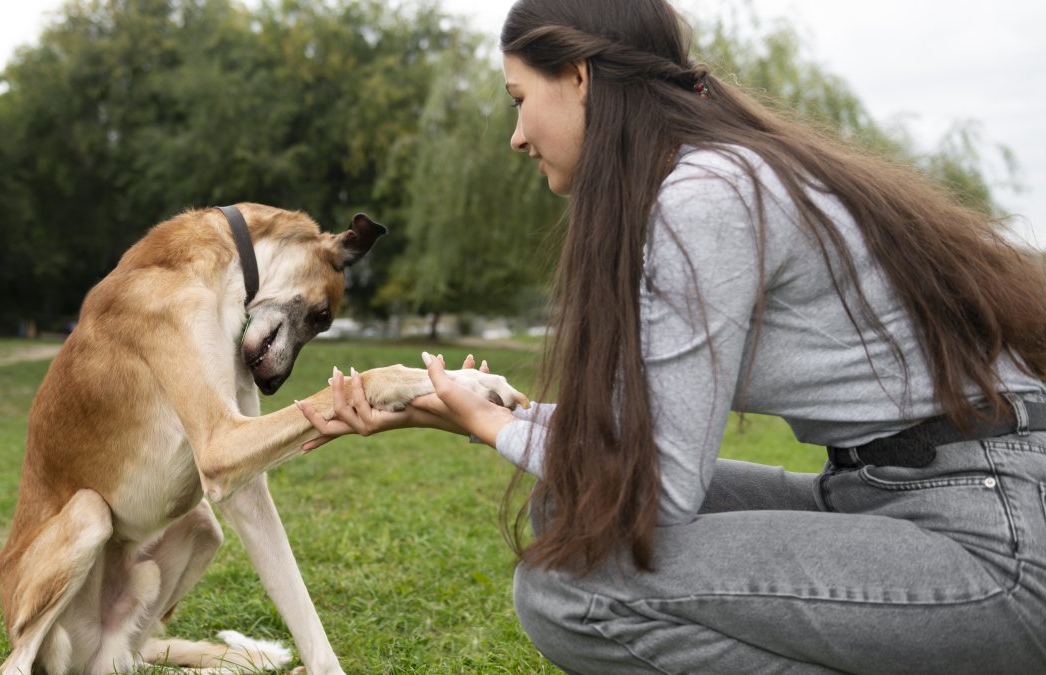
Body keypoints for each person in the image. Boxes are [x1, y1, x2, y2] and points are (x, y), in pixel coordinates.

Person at [296, 0, 1046, 671]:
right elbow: (636, 435)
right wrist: (471, 409)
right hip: (888, 489)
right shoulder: (708, 180)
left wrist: (490, 423)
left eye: (521, 100)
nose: (517, 136)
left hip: (991, 538)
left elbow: (657, 478)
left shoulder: (709, 195)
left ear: (582, 77)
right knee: (564, 511)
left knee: (569, 591)